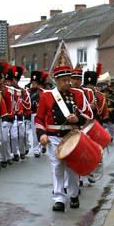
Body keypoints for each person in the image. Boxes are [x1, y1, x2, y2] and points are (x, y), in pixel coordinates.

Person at [35, 44, 92, 212]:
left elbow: (89, 114)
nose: (68, 82)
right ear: (57, 81)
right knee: (57, 166)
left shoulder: (79, 95)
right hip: (53, 136)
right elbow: (38, 118)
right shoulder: (46, 96)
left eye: (69, 79)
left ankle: (73, 194)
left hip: (72, 135)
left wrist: (78, 118)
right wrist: (41, 135)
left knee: (72, 167)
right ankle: (59, 197)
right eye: (64, 80)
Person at [27, 71, 46, 158]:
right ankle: (36, 149)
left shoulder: (43, 92)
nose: (34, 84)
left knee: (42, 131)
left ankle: (43, 145)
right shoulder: (28, 92)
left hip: (43, 114)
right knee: (35, 132)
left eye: (35, 83)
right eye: (32, 83)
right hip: (33, 114)